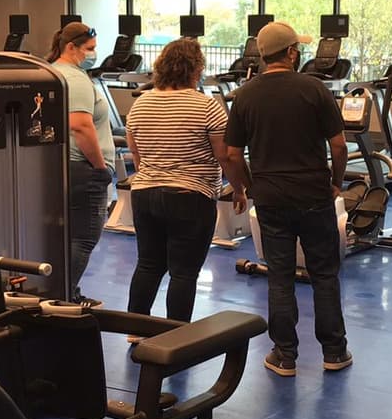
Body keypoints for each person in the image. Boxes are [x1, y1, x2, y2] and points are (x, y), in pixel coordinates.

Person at [224, 20, 351, 377]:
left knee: (279, 276)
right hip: (313, 193)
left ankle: (284, 355)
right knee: (324, 274)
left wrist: (246, 187)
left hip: (270, 198)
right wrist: (336, 182)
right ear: (292, 53)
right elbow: (338, 146)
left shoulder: (245, 94)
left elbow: (233, 155)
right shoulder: (314, 89)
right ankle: (335, 352)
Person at [125, 38, 244, 322]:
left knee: (148, 264)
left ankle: (133, 327)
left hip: (144, 193)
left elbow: (136, 154)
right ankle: (177, 335)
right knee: (184, 271)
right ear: (196, 68)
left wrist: (155, 176)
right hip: (191, 196)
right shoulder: (207, 107)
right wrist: (239, 189)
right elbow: (225, 156)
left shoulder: (140, 105)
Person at [48, 20, 115, 306]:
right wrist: (100, 167)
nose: (93, 54)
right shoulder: (74, 78)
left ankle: (64, 292)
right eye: (90, 49)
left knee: (63, 237)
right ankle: (61, 295)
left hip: (62, 167)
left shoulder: (50, 71)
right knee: (84, 238)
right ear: (71, 47)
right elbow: (80, 126)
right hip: (83, 169)